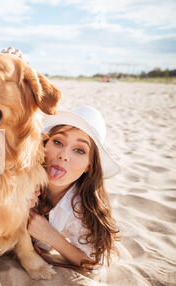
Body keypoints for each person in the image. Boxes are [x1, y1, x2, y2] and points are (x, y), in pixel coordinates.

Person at [28, 106, 121, 269]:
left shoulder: (81, 207)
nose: (64, 155)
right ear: (44, 143)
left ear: (89, 166)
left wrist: (50, 236)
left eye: (79, 150)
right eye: (57, 142)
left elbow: (95, 263)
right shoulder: (21, 172)